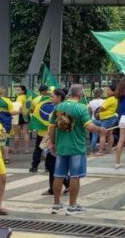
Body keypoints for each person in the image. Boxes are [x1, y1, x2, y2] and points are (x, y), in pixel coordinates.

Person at [48, 84, 106, 215]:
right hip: (76, 148)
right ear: (80, 95)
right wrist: (100, 130)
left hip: (61, 147)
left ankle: (56, 205)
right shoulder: (81, 108)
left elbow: (51, 128)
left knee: (58, 176)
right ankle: (72, 206)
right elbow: (89, 127)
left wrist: (52, 143)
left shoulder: (58, 107)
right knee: (75, 177)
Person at [42, 89, 70, 196]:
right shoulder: (56, 108)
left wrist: (53, 142)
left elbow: (62, 126)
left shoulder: (61, 109)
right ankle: (55, 187)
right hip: (51, 138)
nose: (51, 98)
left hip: (56, 140)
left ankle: (64, 184)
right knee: (50, 164)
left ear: (59, 97)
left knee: (52, 164)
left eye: (53, 96)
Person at [30, 84, 52, 173]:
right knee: (49, 149)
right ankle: (48, 167)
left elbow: (33, 111)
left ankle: (34, 166)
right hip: (50, 131)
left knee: (38, 149)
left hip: (41, 130)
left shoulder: (36, 100)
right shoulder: (55, 102)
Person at [95, 83, 118, 156]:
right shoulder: (114, 99)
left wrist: (97, 113)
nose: (107, 91)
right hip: (111, 118)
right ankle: (109, 149)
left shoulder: (110, 99)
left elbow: (102, 107)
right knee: (110, 134)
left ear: (113, 92)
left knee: (102, 134)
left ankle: (100, 151)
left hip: (107, 119)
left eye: (108, 90)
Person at [12, 85, 31, 154]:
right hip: (26, 115)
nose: (17, 91)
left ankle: (15, 149)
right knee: (26, 133)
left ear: (23, 91)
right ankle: (26, 149)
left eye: (19, 90)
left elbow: (18, 108)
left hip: (19, 116)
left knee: (17, 134)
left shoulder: (19, 98)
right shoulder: (27, 97)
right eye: (17, 90)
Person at [87, 87, 105, 155]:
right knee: (102, 135)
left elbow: (89, 111)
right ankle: (101, 150)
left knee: (94, 135)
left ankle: (92, 151)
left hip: (93, 120)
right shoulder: (104, 101)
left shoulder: (91, 102)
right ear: (101, 94)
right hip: (102, 120)